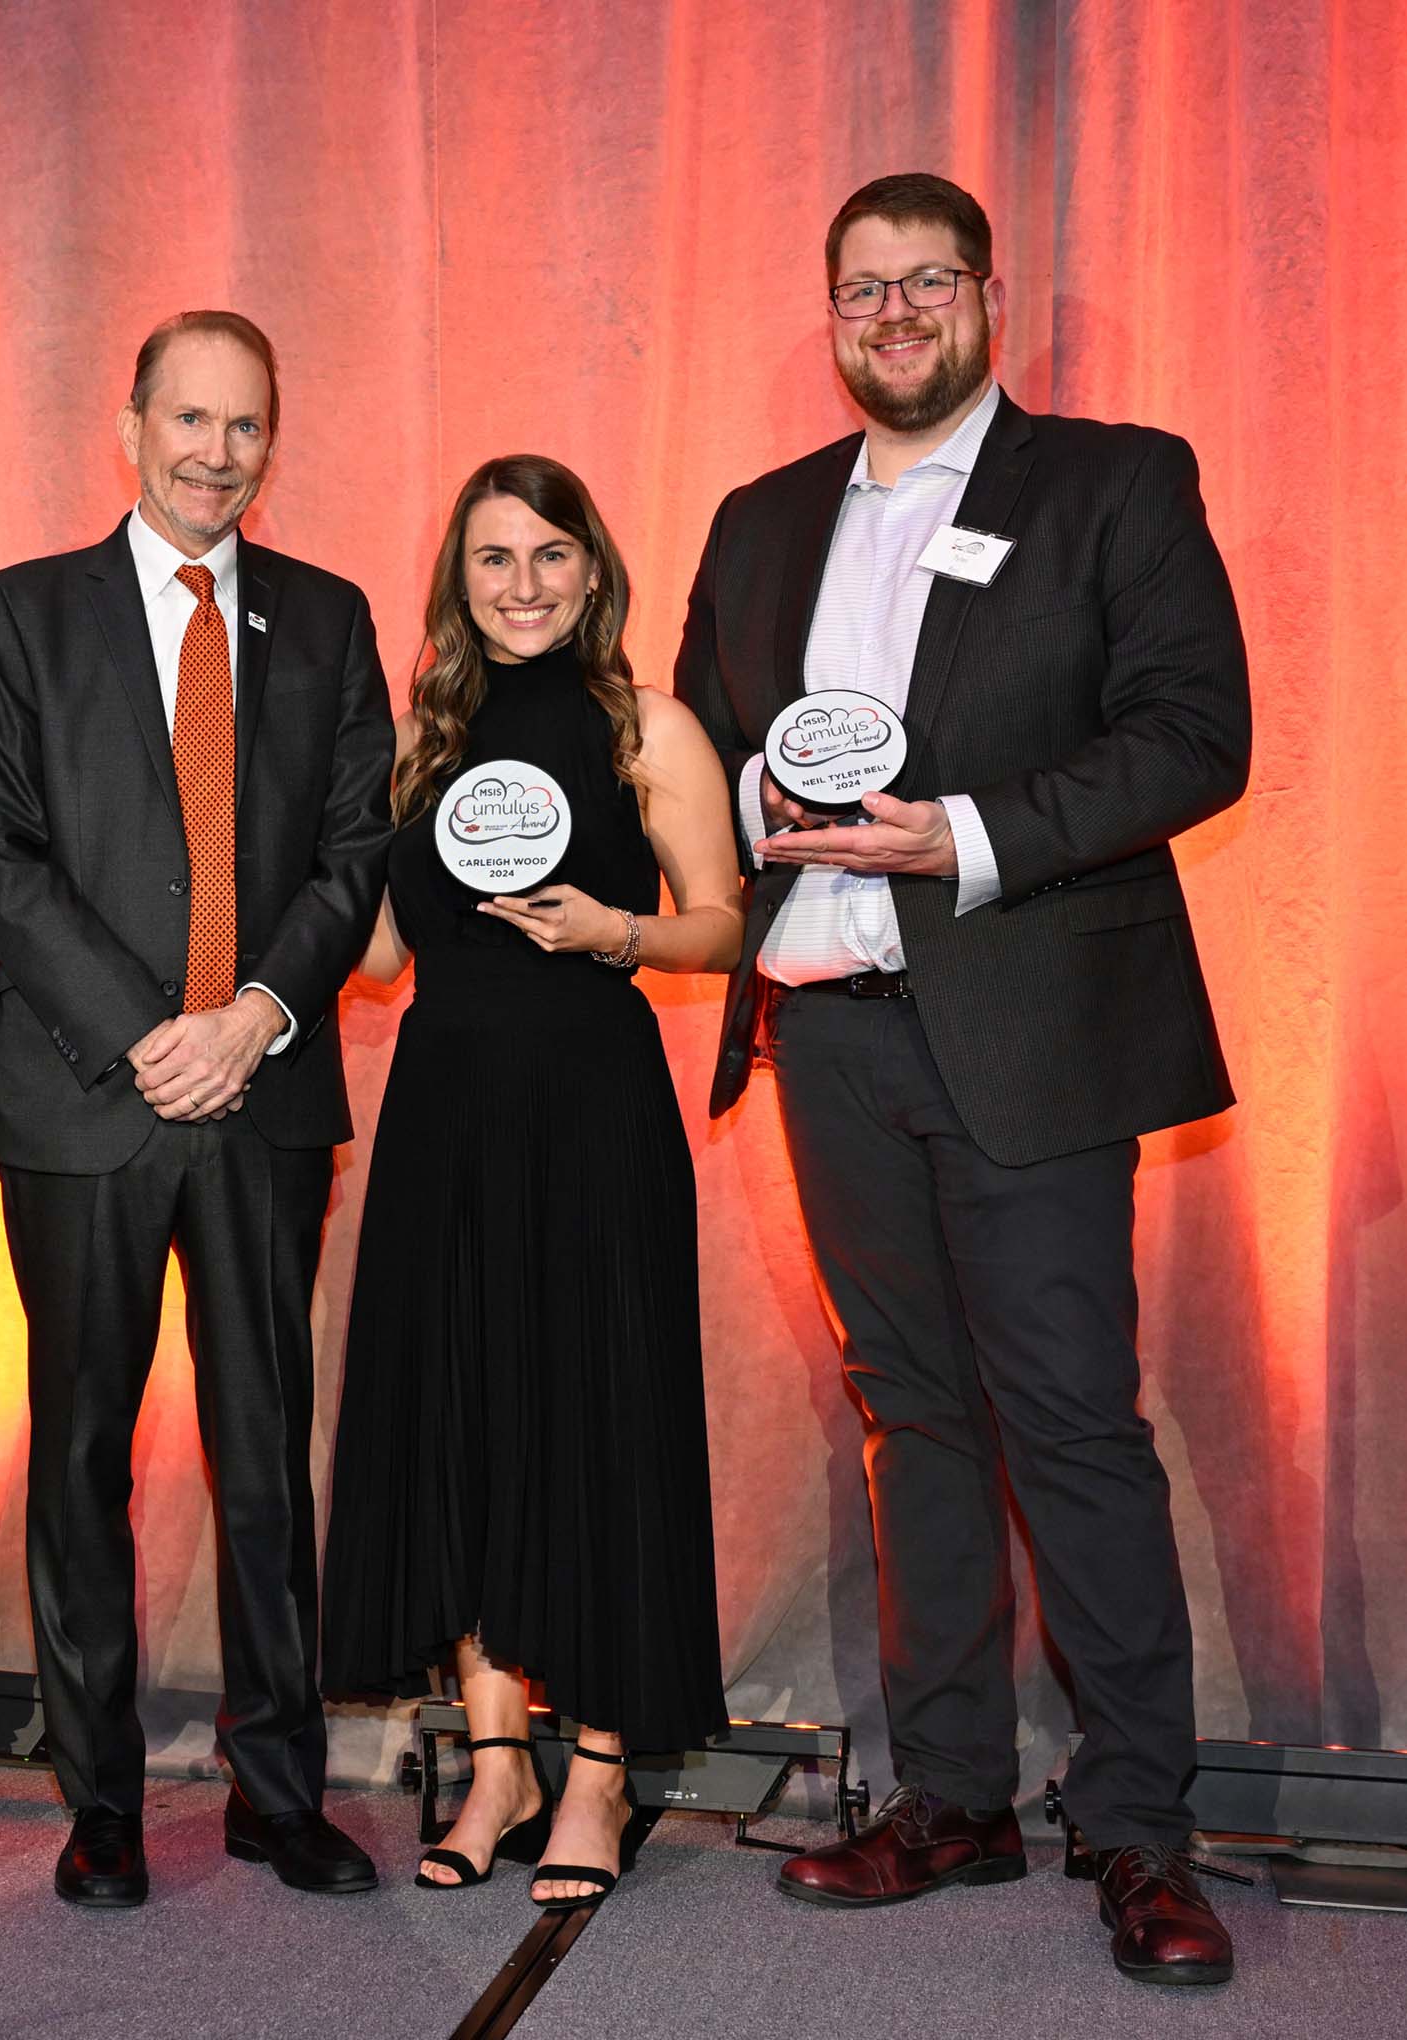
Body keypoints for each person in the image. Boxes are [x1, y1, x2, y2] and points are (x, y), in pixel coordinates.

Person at [678, 173, 1250, 1986]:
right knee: (908, 1418)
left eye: (927, 282)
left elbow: (1195, 731)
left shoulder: (1113, 481)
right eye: (861, 289)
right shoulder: (760, 519)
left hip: (1027, 1023)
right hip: (827, 1025)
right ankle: (949, 1797)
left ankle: (1141, 1831)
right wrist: (722, 819)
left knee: (1072, 1425)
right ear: (828, 314)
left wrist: (969, 837)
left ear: (987, 298)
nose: (894, 314)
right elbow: (695, 742)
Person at [0, 311, 394, 1907]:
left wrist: (258, 1016)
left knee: (267, 1452)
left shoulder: (330, 621)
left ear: (275, 440)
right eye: (190, 419)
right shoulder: (25, 613)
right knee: (77, 1456)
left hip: (261, 1103)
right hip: (89, 1106)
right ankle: (103, 1804)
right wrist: (150, 1036)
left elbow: (357, 852)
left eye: (247, 425)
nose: (217, 452)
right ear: (126, 426)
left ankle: (280, 1792)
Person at [321, 455, 743, 1910]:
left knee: (593, 1418)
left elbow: (722, 926)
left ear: (591, 568)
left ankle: (600, 1778)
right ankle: (496, 1765)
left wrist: (614, 931)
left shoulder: (649, 723)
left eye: (547, 555)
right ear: (456, 582)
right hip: (444, 1113)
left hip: (593, 1110)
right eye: (492, 559)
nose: (522, 585)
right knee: (466, 1420)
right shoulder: (415, 739)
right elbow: (376, 954)